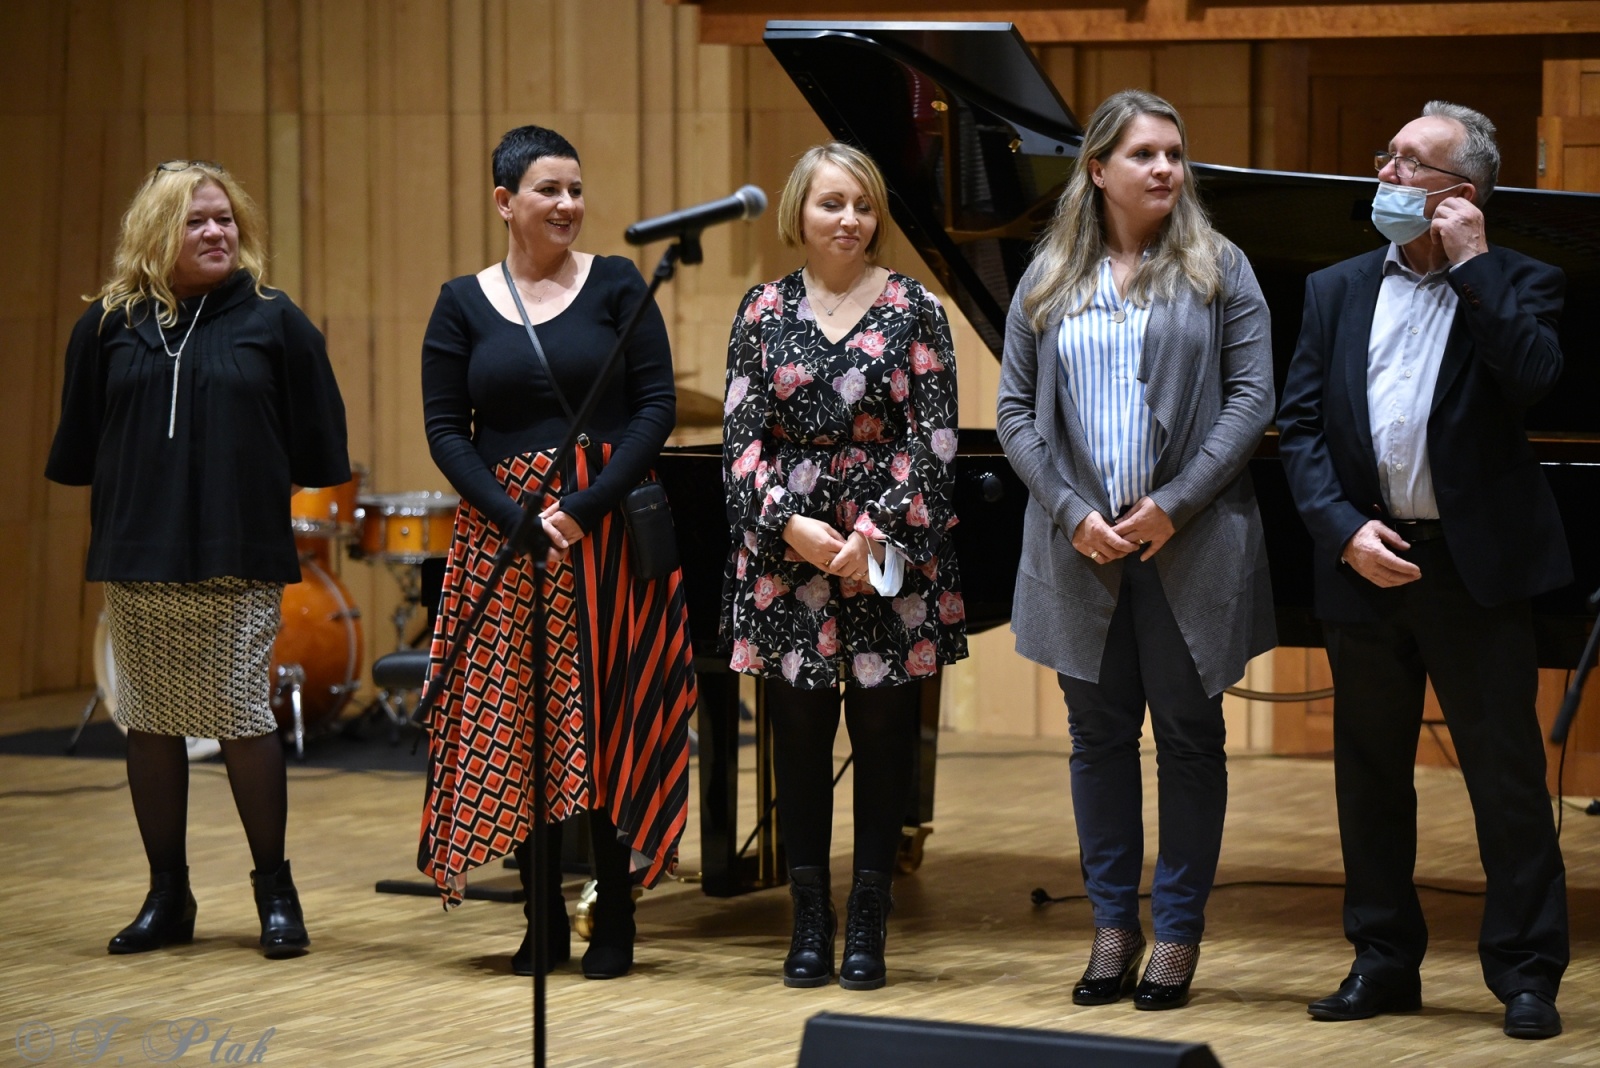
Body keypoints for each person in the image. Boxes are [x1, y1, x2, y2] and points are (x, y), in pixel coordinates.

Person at [1277, 101, 1569, 1040]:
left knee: (1506, 778)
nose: (1387, 177)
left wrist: (1477, 266)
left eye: (1412, 166)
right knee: (1368, 775)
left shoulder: (1525, 282)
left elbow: (1531, 378)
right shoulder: (1335, 287)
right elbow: (1303, 430)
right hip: (1366, 560)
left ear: (1461, 196)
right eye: (1387, 156)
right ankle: (1382, 960)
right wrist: (1340, 532)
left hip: (1473, 570)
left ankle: (1526, 974)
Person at [995, 89, 1276, 1011]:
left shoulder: (1219, 266)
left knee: (1191, 741)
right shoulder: (1046, 277)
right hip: (1080, 548)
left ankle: (1178, 934)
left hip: (1187, 545)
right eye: (1146, 153)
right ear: (1098, 168)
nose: (1166, 168)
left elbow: (1251, 400)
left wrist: (1174, 503)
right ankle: (1114, 929)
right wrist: (1074, 512)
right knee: (1098, 741)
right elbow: (1011, 415)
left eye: (1175, 152)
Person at [45, 160, 350, 959]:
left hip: (237, 549)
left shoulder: (275, 320)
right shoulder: (107, 325)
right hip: (138, 550)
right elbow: (80, 448)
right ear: (156, 234)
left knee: (245, 717)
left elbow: (321, 445)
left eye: (224, 219)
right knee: (147, 722)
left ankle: (274, 892)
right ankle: (167, 895)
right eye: (196, 221)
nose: (217, 232)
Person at [419, 124, 697, 980]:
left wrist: (581, 507)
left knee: (612, 718)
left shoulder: (617, 285)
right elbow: (443, 430)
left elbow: (655, 408)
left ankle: (613, 915)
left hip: (605, 533)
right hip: (503, 543)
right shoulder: (460, 304)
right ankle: (539, 919)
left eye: (577, 189)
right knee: (524, 726)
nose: (570, 205)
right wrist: (513, 516)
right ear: (505, 201)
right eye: (550, 190)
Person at [722, 141, 967, 991]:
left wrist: (871, 535)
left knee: (883, 735)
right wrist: (790, 526)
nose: (850, 219)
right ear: (800, 211)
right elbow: (740, 441)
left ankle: (868, 916)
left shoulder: (915, 309)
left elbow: (933, 445)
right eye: (832, 203)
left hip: (886, 554)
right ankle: (808, 917)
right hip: (786, 554)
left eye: (863, 205)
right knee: (795, 737)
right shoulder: (761, 310)